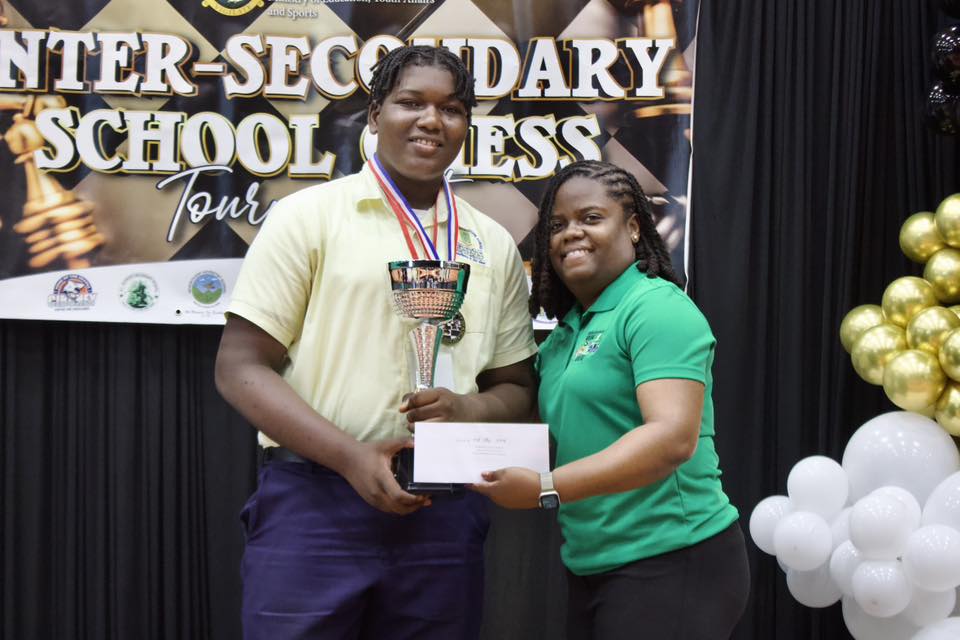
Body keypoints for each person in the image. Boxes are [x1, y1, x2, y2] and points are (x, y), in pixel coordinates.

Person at [214, 45, 537, 640]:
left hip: (442, 509)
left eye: (452, 109)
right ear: (375, 114)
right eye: (411, 102)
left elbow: (517, 386)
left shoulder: (492, 243)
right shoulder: (306, 216)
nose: (432, 120)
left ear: (466, 125)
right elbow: (239, 368)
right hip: (315, 499)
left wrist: (468, 409)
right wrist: (349, 457)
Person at [471, 160, 750, 639]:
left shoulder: (656, 307)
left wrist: (544, 487)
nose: (570, 234)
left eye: (591, 218)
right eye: (557, 225)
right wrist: (449, 416)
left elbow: (671, 439)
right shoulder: (566, 334)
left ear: (634, 227)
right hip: (593, 564)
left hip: (673, 559)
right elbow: (528, 422)